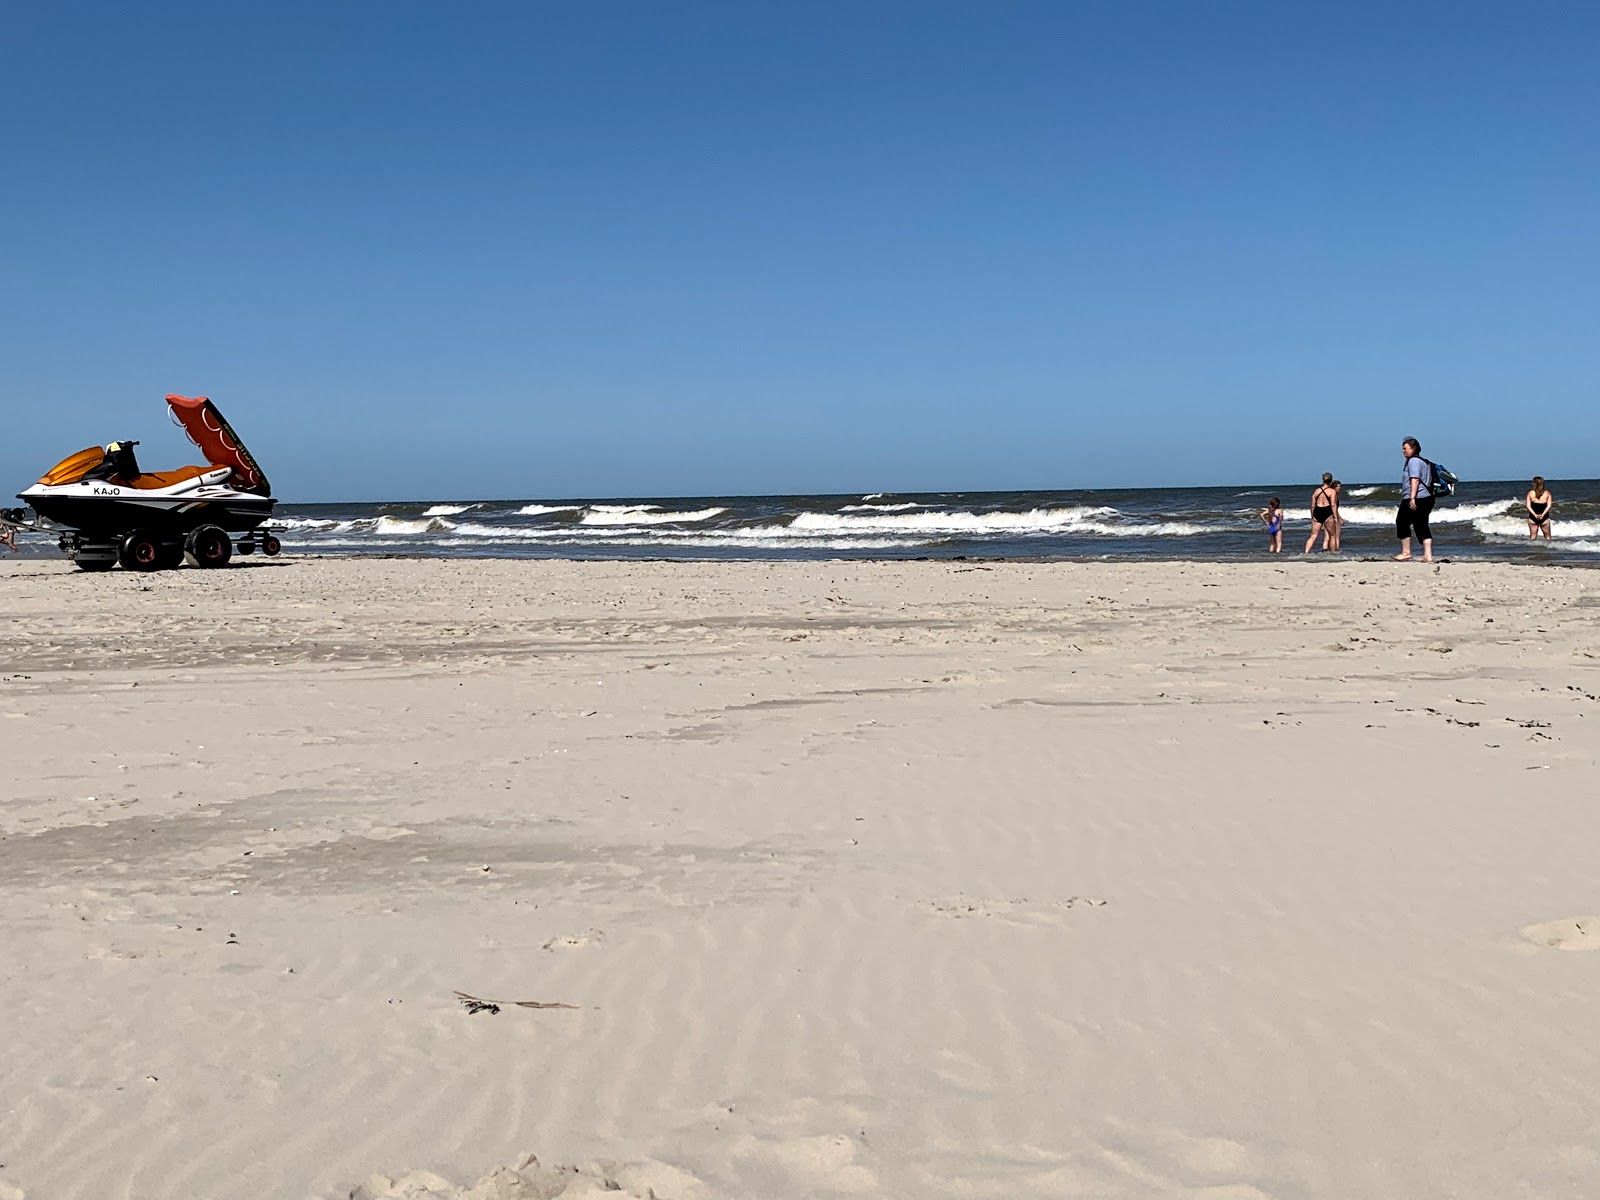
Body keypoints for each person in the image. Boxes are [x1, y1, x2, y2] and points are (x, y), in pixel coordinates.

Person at [1395, 437, 1433, 562]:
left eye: (1405, 448)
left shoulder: (1414, 462)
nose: (1403, 451)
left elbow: (1415, 479)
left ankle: (1406, 552)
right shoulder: (1424, 461)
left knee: (1402, 522)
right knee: (1421, 525)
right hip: (1427, 497)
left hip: (1416, 497)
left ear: (1413, 448)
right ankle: (1428, 555)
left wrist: (1412, 498)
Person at [1304, 472, 1338, 553]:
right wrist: (1335, 516)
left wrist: (1312, 516)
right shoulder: (1332, 491)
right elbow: (1333, 505)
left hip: (1317, 511)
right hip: (1327, 512)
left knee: (1313, 535)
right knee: (1332, 535)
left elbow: (1312, 505)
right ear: (1331, 480)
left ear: (1323, 480)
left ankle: (1306, 552)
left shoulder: (1316, 491)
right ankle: (1333, 553)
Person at [1328, 480, 1345, 552]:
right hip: (1333, 516)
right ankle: (1336, 548)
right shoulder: (1334, 495)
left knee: (1329, 536)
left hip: (1328, 516)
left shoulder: (1329, 495)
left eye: (1340, 486)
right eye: (1338, 486)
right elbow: (1334, 508)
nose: (1339, 488)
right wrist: (1339, 518)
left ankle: (1328, 549)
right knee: (1336, 535)